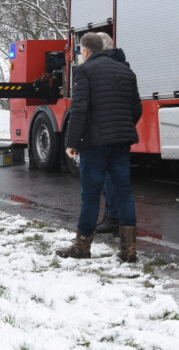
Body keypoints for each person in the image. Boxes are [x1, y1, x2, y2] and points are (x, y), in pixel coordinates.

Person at [57, 32, 143, 262]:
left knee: (91, 194)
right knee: (124, 191)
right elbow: (137, 109)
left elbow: (80, 109)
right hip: (121, 141)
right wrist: (122, 127)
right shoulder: (126, 70)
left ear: (85, 51)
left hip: (95, 143)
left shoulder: (84, 71)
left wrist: (72, 143)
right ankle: (129, 250)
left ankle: (82, 246)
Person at [93, 32, 128, 235]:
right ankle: (118, 218)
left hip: (107, 130)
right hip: (119, 129)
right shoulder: (123, 66)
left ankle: (113, 216)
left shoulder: (106, 69)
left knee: (108, 176)